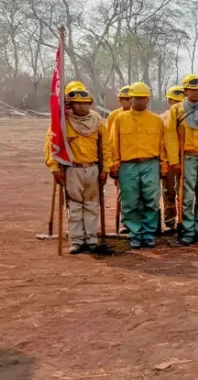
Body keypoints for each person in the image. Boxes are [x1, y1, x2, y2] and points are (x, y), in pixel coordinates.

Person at [44, 83, 112, 254]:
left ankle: (91, 239)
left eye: (86, 103)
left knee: (92, 205)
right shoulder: (61, 123)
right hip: (73, 170)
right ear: (69, 104)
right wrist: (54, 168)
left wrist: (106, 169)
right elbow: (51, 146)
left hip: (93, 169)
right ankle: (76, 240)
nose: (82, 106)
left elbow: (106, 148)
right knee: (74, 206)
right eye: (77, 103)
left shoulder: (97, 121)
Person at [110, 82, 168, 249]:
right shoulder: (120, 119)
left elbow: (162, 145)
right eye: (137, 98)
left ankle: (148, 233)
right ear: (131, 98)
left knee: (151, 199)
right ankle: (135, 232)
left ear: (148, 99)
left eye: (143, 98)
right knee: (130, 200)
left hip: (151, 163)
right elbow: (114, 144)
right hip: (127, 165)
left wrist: (163, 165)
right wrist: (114, 166)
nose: (140, 101)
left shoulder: (156, 120)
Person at [164, 73, 198, 246]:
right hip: (186, 157)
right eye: (192, 90)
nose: (196, 93)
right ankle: (187, 230)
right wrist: (175, 162)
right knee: (187, 197)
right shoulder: (176, 111)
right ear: (186, 90)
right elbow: (171, 137)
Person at [159, 86, 185, 232]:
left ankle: (184, 220)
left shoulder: (188, 117)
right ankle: (169, 222)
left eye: (180, 102)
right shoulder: (162, 118)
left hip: (184, 159)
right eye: (174, 101)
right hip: (167, 160)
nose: (177, 105)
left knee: (183, 191)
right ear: (169, 100)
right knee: (168, 192)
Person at [107, 85, 132, 234]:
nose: (129, 102)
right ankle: (125, 222)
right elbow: (111, 141)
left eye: (131, 99)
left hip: (135, 159)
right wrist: (113, 164)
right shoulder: (114, 116)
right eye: (125, 99)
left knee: (141, 195)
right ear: (120, 100)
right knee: (125, 193)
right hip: (121, 161)